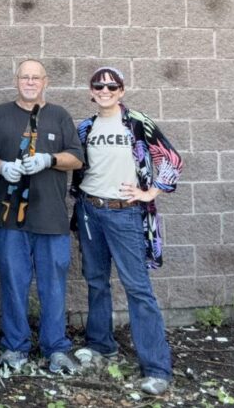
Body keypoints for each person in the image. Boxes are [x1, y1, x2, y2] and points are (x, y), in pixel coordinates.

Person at [71, 67, 182, 396]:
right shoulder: (85, 127)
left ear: (121, 90)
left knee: (137, 288)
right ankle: (101, 344)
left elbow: (172, 159)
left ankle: (157, 367)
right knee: (95, 280)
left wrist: (152, 191)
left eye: (112, 86)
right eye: (98, 86)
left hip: (125, 213)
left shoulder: (137, 123)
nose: (105, 90)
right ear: (91, 91)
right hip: (90, 210)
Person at [0, 59, 84, 375]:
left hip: (51, 218)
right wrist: (0, 166)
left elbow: (76, 159)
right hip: (9, 217)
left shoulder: (59, 116)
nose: (29, 82)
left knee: (53, 285)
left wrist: (49, 159)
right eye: (24, 77)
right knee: (13, 283)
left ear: (45, 81)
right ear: (17, 81)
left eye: (35, 77)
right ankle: (15, 348)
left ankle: (56, 348)